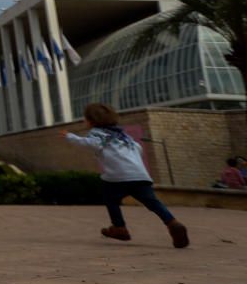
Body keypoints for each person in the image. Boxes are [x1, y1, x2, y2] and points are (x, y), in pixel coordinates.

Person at [61, 103, 188, 248]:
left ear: (91, 121)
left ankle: (119, 227)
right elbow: (138, 149)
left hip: (117, 176)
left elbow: (91, 144)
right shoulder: (123, 135)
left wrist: (70, 136)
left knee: (111, 199)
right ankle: (172, 223)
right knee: (153, 203)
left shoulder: (97, 132)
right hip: (140, 175)